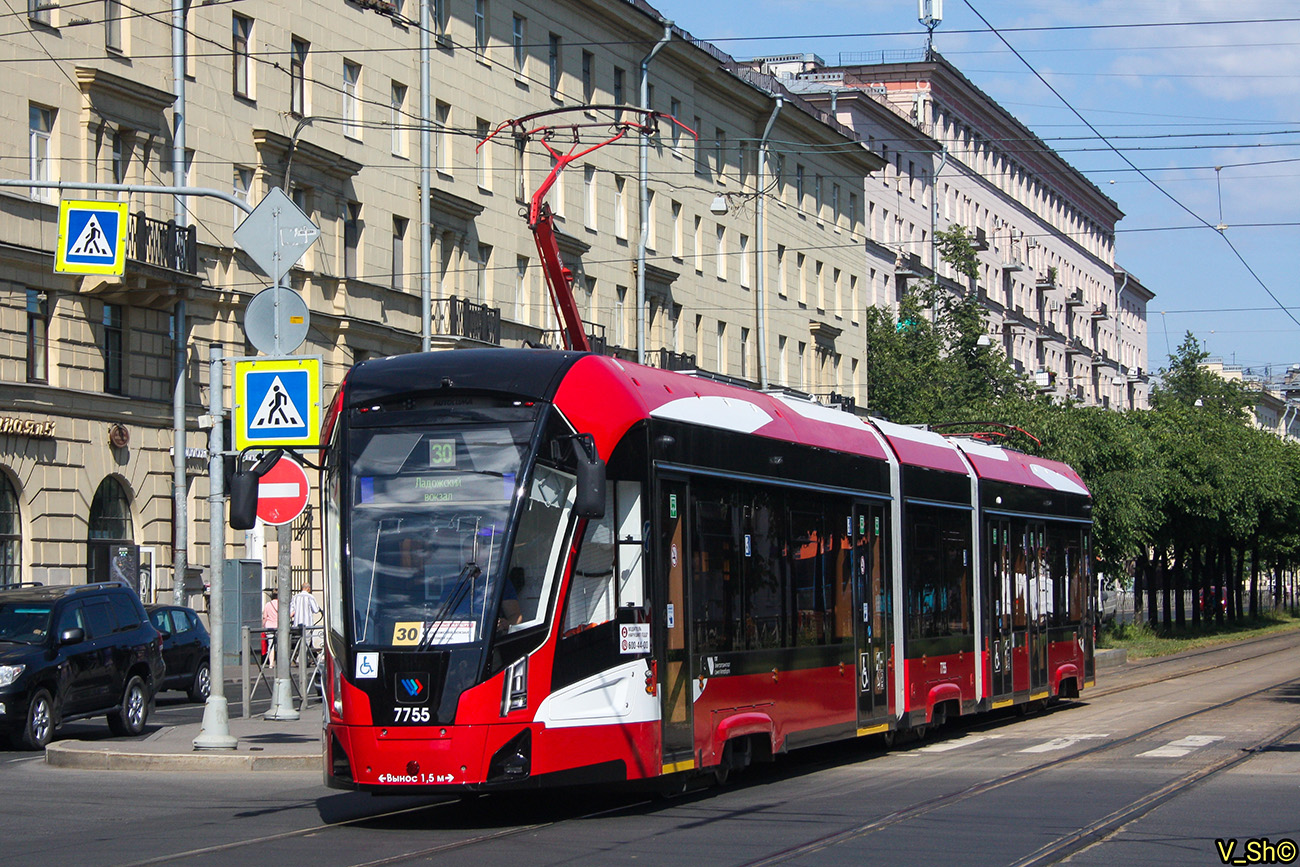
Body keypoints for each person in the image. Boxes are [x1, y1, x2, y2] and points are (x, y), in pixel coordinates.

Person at [290, 580, 323, 651]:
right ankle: (301, 659)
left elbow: (291, 611)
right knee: (307, 641)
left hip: (297, 624)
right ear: (308, 588)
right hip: (307, 624)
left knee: (299, 640)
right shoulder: (310, 597)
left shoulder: (295, 597)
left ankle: (299, 656)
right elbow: (316, 610)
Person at [261, 588, 279, 668]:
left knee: (270, 644)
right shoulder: (281, 604)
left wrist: (263, 625)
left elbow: (265, 617)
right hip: (278, 627)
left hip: (269, 627)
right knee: (279, 645)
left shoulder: (268, 604)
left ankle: (271, 663)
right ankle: (280, 662)